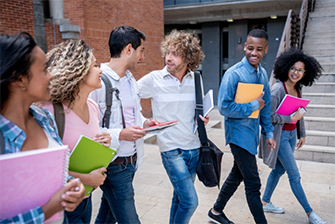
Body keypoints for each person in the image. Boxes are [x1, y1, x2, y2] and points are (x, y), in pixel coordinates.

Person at [0, 32, 85, 223]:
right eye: (45, 69)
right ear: (19, 79)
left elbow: (56, 175)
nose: (52, 75)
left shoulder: (44, 118)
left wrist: (72, 186)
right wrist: (48, 209)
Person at [137, 29, 208, 224]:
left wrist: (203, 119)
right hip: (171, 149)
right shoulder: (154, 79)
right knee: (190, 201)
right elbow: (128, 98)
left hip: (194, 148)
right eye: (168, 52)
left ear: (188, 57)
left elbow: (197, 109)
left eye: (175, 54)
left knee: (180, 198)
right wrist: (142, 119)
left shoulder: (196, 80)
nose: (169, 58)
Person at [208, 29, 276, 224]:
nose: (254, 53)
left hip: (253, 134)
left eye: (259, 49)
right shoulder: (233, 74)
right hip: (238, 136)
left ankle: (215, 211)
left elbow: (266, 106)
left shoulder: (263, 74)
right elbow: (224, 107)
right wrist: (254, 105)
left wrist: (269, 132)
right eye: (250, 48)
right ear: (245, 46)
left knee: (237, 175)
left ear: (266, 50)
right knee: (253, 184)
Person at [89, 25, 156, 224]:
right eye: (141, 50)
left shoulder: (130, 79)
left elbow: (134, 114)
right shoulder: (97, 81)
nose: (142, 57)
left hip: (131, 161)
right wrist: (120, 134)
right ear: (129, 49)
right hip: (113, 164)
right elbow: (88, 129)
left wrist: (146, 122)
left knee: (107, 216)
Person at [40, 39, 111, 223]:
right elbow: (44, 169)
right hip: (62, 202)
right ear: (78, 71)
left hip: (85, 199)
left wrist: (103, 142)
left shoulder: (93, 106)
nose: (100, 70)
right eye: (95, 65)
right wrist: (86, 179)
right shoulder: (48, 111)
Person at [258, 48, 325, 224]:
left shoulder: (297, 88)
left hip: (291, 136)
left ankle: (264, 201)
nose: (296, 72)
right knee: (294, 175)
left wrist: (301, 133)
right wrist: (290, 118)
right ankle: (310, 213)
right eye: (293, 68)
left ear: (305, 73)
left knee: (279, 169)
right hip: (280, 137)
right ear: (287, 67)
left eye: (300, 70)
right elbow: (268, 116)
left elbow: (299, 113)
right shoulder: (278, 89)